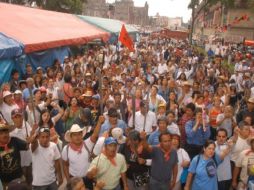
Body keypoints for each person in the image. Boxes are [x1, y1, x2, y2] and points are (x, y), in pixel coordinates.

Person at [62, 116, 104, 189]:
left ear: (82, 135)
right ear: (71, 137)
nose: (77, 137)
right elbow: (65, 165)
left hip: (87, 178)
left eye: (79, 134)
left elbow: (95, 135)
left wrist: (99, 123)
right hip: (74, 180)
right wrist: (68, 180)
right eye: (75, 135)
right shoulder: (66, 149)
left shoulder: (87, 143)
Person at [0, 123, 29, 189]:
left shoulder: (14, 140)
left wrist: (31, 140)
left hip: (19, 177)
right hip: (5, 182)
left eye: (6, 132)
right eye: (1, 133)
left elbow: (27, 147)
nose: (4, 135)